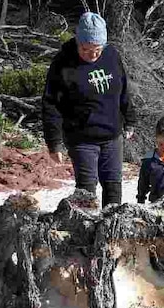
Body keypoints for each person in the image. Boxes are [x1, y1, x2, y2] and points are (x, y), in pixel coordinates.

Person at [42, 12, 135, 207]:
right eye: (86, 49)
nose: (92, 55)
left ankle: (111, 234)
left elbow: (123, 88)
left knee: (113, 188)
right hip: (81, 138)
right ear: (78, 42)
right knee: (86, 191)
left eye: (97, 50)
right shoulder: (63, 63)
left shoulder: (112, 55)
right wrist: (54, 142)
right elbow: (51, 103)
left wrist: (130, 120)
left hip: (112, 135)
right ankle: (85, 232)